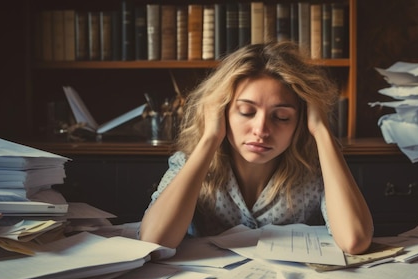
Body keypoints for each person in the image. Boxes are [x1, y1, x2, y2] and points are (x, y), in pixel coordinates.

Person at [139, 41, 373, 255]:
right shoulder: (189, 164)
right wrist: (210, 137)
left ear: (299, 122)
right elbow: (154, 241)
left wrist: (321, 130)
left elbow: (355, 240)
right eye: (246, 112)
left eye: (281, 117)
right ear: (222, 112)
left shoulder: (316, 173)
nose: (261, 130)